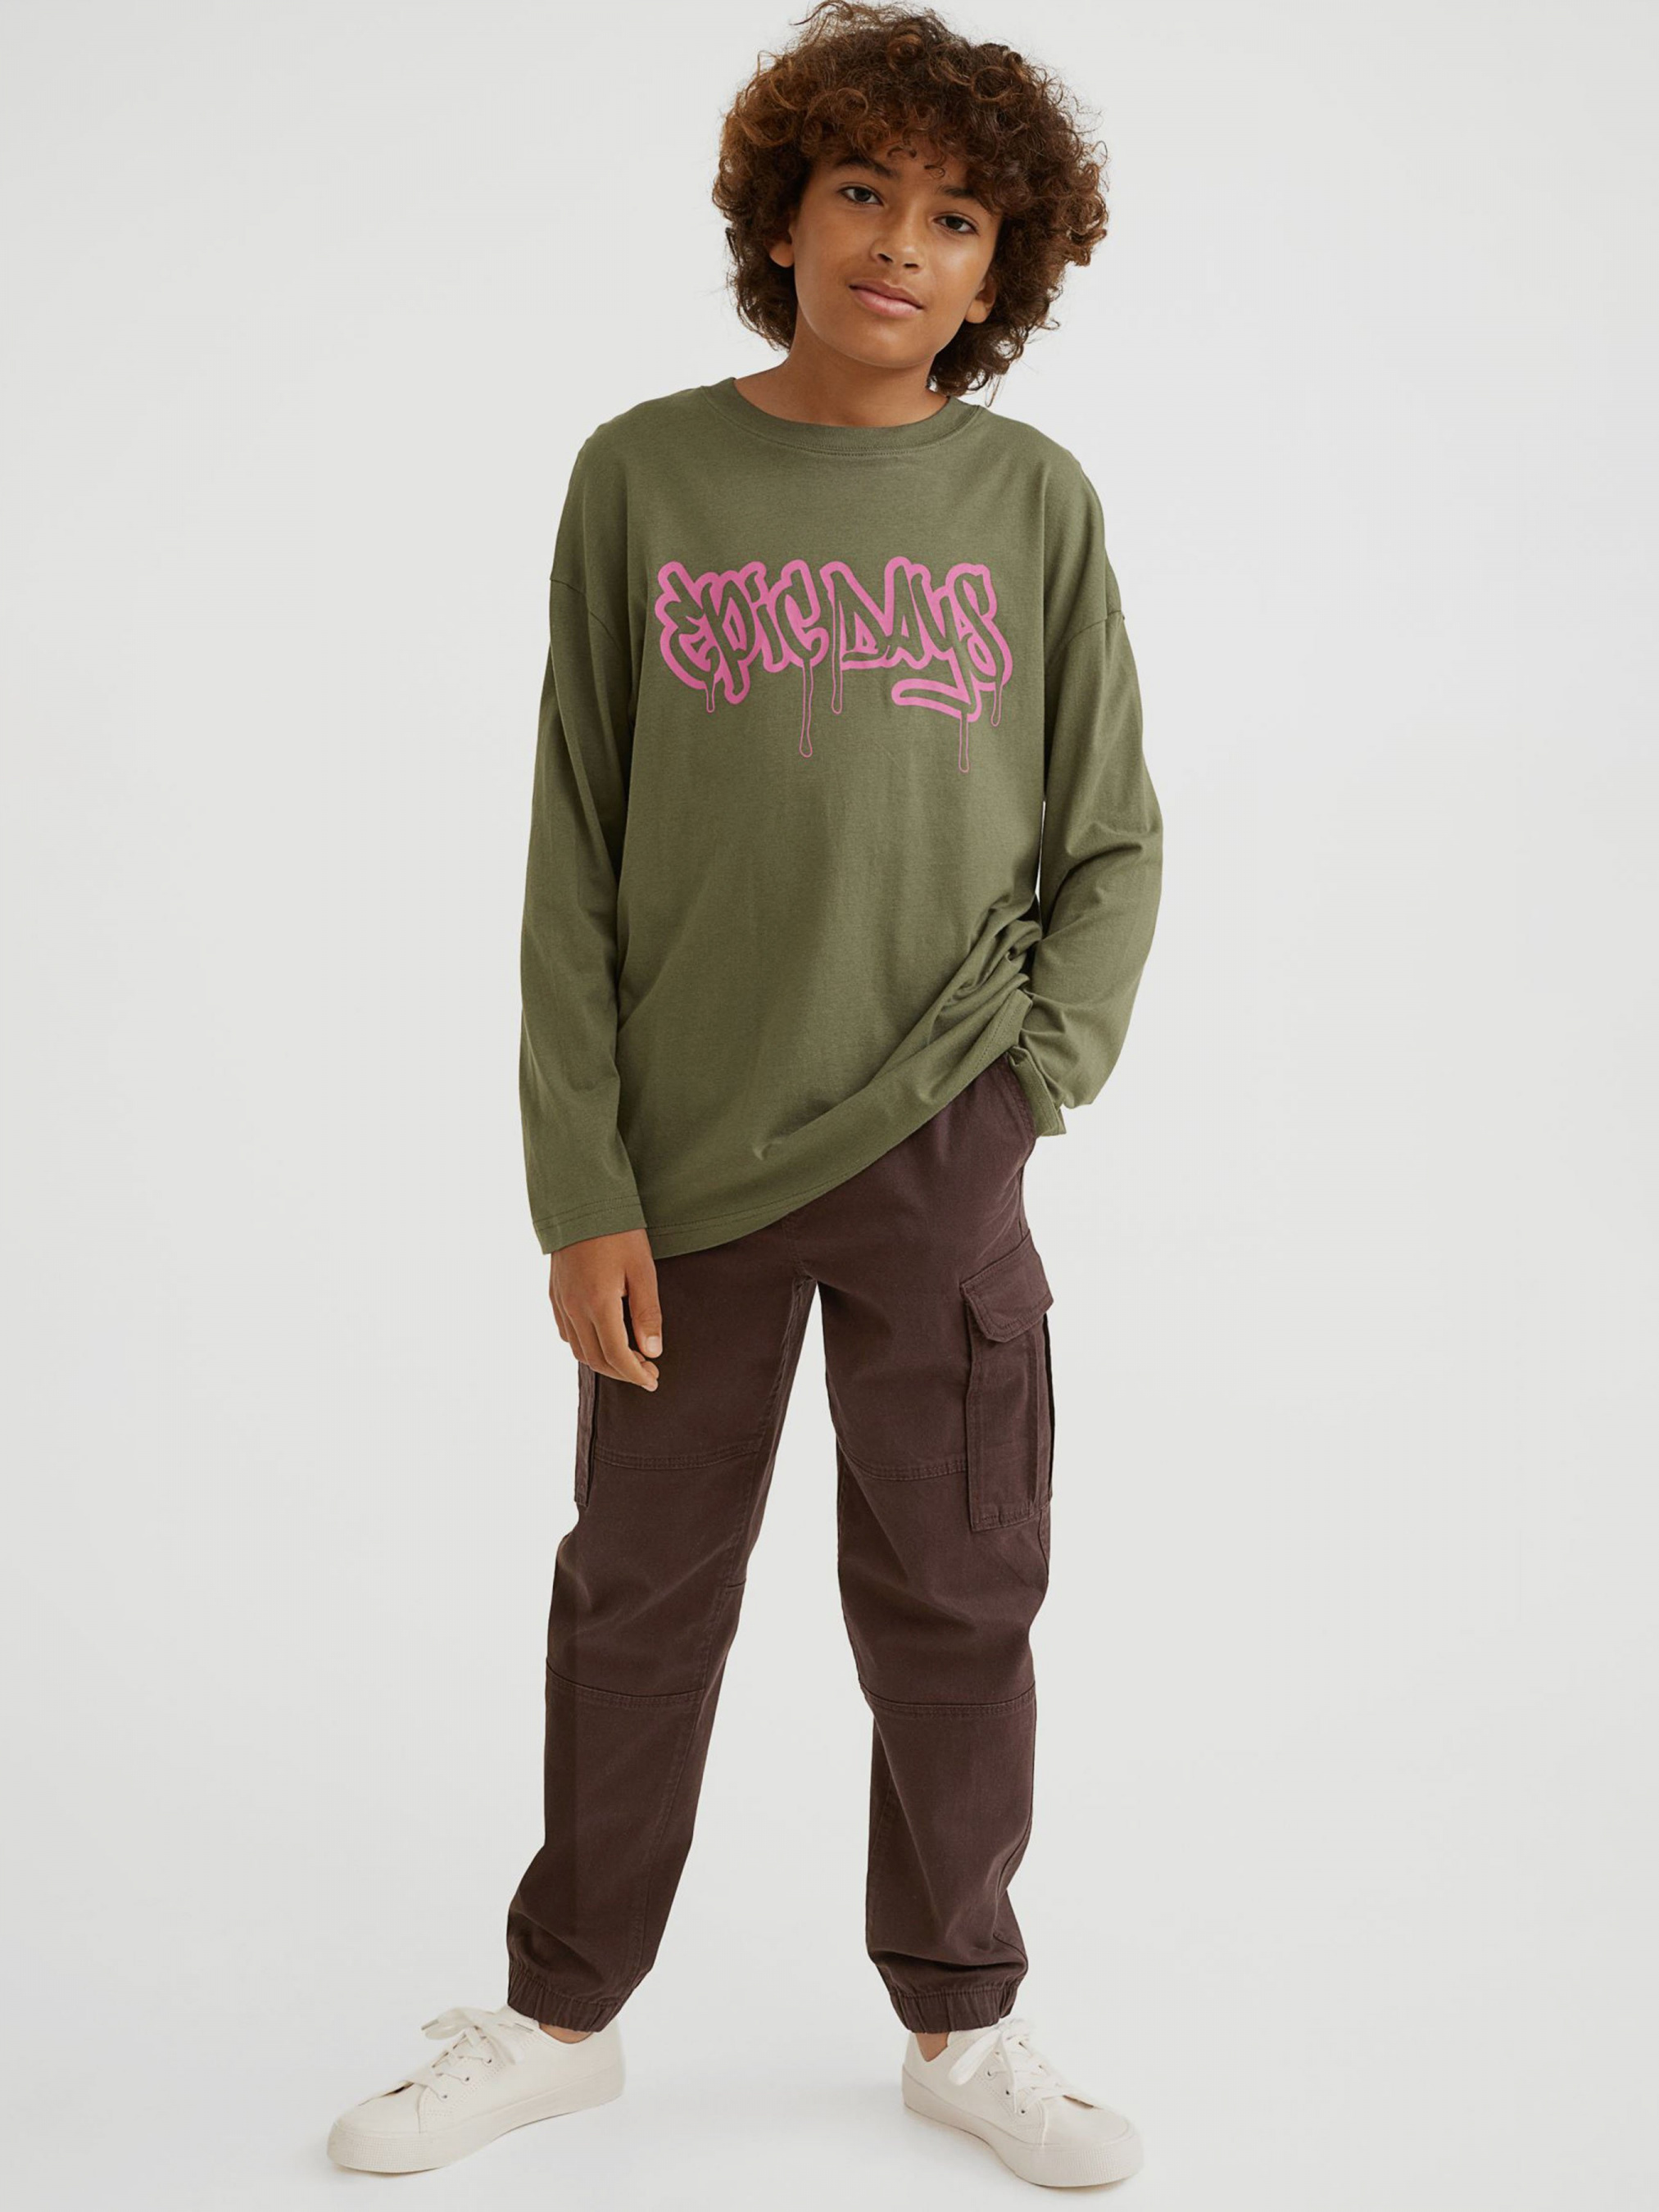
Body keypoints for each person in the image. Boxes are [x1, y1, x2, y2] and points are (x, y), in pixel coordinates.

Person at [327, 0, 1163, 2187]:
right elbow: (573, 850)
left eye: (955, 216)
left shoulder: (1029, 501)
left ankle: (961, 2019)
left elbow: (1110, 837)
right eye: (862, 190)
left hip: (941, 1139)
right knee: (637, 1592)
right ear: (779, 215)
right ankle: (561, 2014)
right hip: (682, 1166)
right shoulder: (643, 476)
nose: (900, 243)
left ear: (1002, 272)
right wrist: (578, 1181)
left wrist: (1029, 1087)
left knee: (956, 1595)